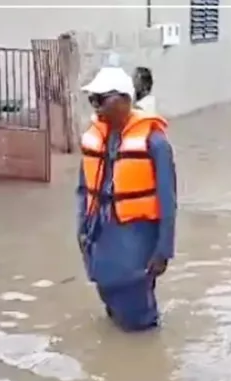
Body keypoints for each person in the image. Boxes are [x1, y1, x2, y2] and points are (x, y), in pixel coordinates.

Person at [77, 67, 177, 331]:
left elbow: (168, 201)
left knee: (138, 318)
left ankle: (146, 364)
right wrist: (81, 231)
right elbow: (83, 189)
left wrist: (163, 251)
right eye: (92, 100)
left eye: (101, 99)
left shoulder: (154, 142)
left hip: (136, 242)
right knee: (110, 300)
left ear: (123, 99)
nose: (96, 107)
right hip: (100, 239)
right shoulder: (96, 139)